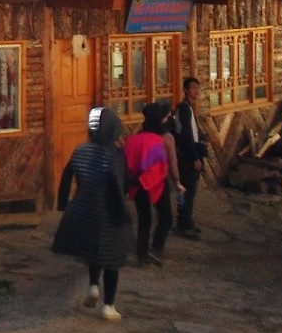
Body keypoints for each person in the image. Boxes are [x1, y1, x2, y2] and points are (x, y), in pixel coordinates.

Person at [52, 106, 133, 319]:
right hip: (108, 211)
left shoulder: (81, 150)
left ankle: (93, 286)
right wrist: (123, 213)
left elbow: (67, 176)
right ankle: (109, 305)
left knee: (94, 250)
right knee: (112, 258)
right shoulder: (114, 155)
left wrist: (62, 204)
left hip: (83, 209)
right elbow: (119, 185)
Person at [125, 99, 178, 266]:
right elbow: (162, 166)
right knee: (166, 217)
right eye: (165, 117)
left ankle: (142, 253)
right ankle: (155, 248)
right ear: (160, 121)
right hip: (155, 184)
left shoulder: (133, 139)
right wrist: (176, 181)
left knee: (144, 220)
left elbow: (126, 163)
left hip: (137, 185)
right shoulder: (160, 141)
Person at [173, 76, 208, 239]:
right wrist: (195, 157)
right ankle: (184, 224)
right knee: (188, 190)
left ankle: (186, 220)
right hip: (187, 155)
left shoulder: (188, 108)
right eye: (193, 88)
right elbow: (186, 134)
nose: (196, 91)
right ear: (186, 90)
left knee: (188, 190)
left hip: (188, 152)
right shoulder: (185, 108)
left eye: (197, 88)